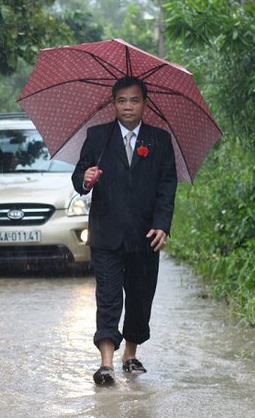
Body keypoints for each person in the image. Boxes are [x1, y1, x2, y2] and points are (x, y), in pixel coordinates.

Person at [71, 76, 177, 385]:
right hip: (106, 234)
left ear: (145, 104)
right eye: (121, 101)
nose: (127, 106)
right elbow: (79, 178)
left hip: (146, 236)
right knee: (108, 296)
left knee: (140, 296)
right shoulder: (97, 137)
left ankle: (130, 355)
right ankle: (106, 364)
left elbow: (167, 186)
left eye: (134, 100)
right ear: (113, 103)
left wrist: (162, 224)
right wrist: (86, 179)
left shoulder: (160, 140)